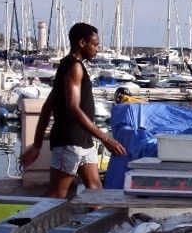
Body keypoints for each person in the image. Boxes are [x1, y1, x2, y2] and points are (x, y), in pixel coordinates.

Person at [19, 23, 126, 198]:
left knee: (95, 189)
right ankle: (25, 222)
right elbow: (74, 109)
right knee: (56, 194)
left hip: (84, 141)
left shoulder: (69, 66)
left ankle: (97, 225)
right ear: (82, 43)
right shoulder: (73, 67)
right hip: (69, 142)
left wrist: (38, 145)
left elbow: (47, 106)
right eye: (95, 44)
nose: (97, 49)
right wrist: (107, 139)